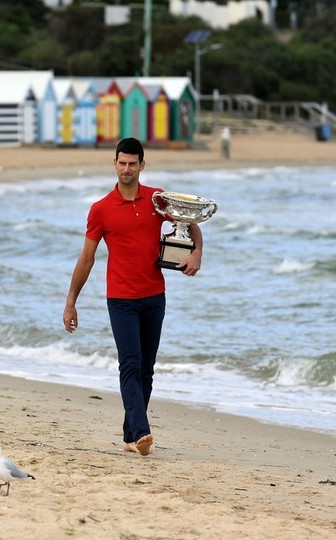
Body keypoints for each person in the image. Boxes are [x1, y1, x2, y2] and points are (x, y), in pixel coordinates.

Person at [62, 137, 204, 457]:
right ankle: (142, 431)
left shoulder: (158, 199)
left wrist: (197, 253)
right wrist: (71, 301)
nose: (127, 169)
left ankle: (130, 435)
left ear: (142, 165)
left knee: (146, 369)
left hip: (154, 296)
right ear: (114, 164)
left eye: (132, 163)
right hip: (121, 299)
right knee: (130, 363)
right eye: (121, 163)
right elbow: (86, 258)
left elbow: (190, 222)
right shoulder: (101, 209)